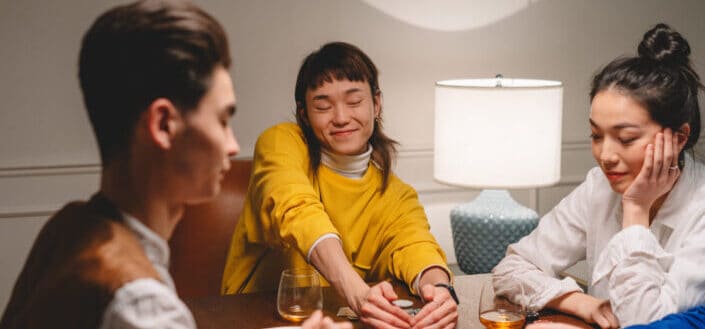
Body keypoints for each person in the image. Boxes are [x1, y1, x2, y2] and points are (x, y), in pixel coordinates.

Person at [0, 1, 348, 329]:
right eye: (222, 120)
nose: (233, 145)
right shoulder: (140, 302)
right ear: (164, 125)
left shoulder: (67, 228)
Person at [221, 41, 458, 329]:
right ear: (304, 114)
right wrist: (356, 292)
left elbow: (417, 246)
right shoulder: (280, 143)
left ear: (377, 103)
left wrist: (441, 291)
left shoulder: (397, 195)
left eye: (354, 101)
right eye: (323, 105)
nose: (341, 118)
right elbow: (296, 209)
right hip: (258, 319)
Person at [493, 23, 705, 328]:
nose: (605, 156)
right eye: (596, 135)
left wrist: (636, 212)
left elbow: (645, 324)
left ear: (679, 138)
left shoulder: (700, 211)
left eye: (626, 138)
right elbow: (512, 268)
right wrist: (581, 303)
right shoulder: (599, 187)